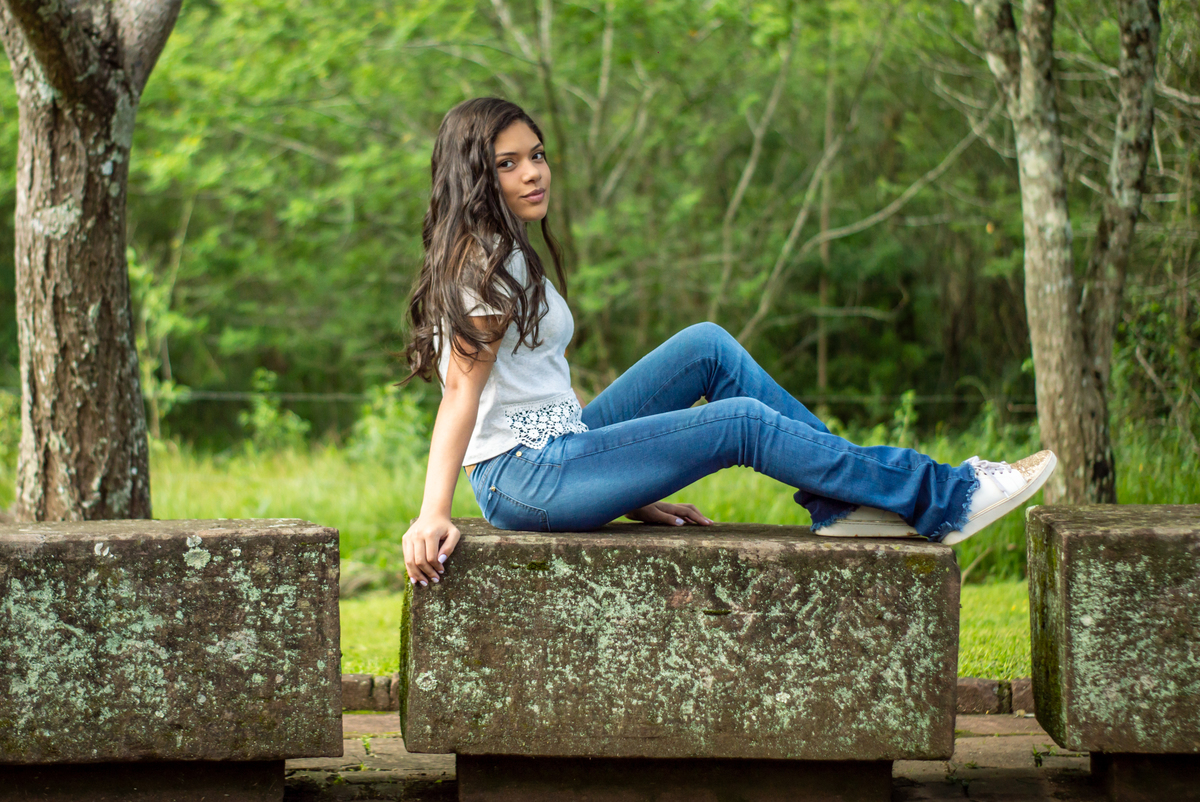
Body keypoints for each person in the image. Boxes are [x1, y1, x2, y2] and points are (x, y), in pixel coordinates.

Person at [399, 97, 1055, 588]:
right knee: (740, 422)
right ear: (476, 176)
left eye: (537, 155)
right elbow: (461, 395)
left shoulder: (505, 250)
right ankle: (945, 497)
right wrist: (433, 515)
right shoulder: (479, 264)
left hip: (560, 453)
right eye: (508, 164)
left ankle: (844, 503)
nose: (532, 174)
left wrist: (627, 487)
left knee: (705, 346)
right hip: (527, 477)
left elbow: (538, 396)